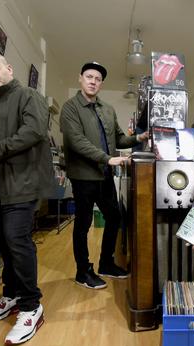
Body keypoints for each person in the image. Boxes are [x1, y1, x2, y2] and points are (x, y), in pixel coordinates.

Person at [0, 52, 55, 345]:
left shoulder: (28, 95)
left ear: (8, 69)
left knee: (18, 240)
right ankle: (11, 294)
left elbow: (32, 132)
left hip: (20, 183)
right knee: (4, 243)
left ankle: (31, 306)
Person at [60, 61, 148, 290]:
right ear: (80, 78)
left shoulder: (107, 109)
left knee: (115, 217)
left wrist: (139, 138)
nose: (93, 81)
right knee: (83, 224)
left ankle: (106, 263)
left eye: (98, 79)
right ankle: (82, 271)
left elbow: (119, 139)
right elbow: (76, 141)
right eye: (89, 76)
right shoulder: (70, 108)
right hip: (83, 176)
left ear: (101, 84)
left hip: (104, 176)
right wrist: (108, 158)